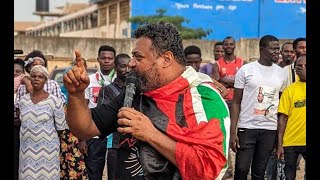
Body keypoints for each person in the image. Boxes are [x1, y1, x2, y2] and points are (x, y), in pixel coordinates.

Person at [64, 21, 230, 179]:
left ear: (166, 59)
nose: (131, 63)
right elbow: (84, 129)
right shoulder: (138, 92)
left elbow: (209, 170)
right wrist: (76, 94)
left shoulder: (203, 98)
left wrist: (150, 134)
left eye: (138, 57)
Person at [230, 35, 288, 180]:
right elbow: (236, 102)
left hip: (269, 129)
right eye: (273, 48)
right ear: (262, 49)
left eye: (278, 48)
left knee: (259, 172)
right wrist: (233, 132)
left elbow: (281, 106)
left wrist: (280, 138)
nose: (277, 52)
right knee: (241, 170)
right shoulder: (246, 70)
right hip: (247, 127)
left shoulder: (281, 73)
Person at [17, 65, 69, 180]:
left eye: (40, 77)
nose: (36, 79)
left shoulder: (54, 101)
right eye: (34, 76)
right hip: (27, 151)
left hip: (48, 151)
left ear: (46, 80)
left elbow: (61, 128)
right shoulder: (23, 100)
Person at [96, 53, 137, 180]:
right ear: (116, 67)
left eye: (128, 67)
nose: (126, 70)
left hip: (135, 142)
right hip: (115, 142)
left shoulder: (137, 88)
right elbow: (105, 114)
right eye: (122, 66)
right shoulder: (108, 90)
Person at [81, 45, 117, 180]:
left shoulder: (121, 81)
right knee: (94, 174)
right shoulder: (88, 81)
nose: (106, 61)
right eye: (103, 58)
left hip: (116, 136)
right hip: (94, 135)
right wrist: (82, 139)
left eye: (110, 58)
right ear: (98, 59)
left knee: (115, 174)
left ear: (114, 60)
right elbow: (84, 109)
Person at [276, 55, 306, 180]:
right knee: (289, 175)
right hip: (290, 141)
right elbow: (282, 119)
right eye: (299, 66)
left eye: (306, 66)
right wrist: (280, 144)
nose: (302, 68)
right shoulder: (289, 90)